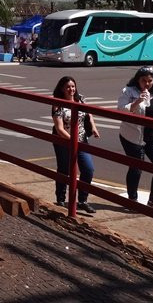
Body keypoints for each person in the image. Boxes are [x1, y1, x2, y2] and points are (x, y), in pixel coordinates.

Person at [117, 66, 153, 212]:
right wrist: (137, 101)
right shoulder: (128, 91)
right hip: (133, 136)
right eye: (143, 80)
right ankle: (132, 200)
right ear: (137, 80)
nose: (147, 84)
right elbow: (121, 110)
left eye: (150, 81)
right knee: (137, 168)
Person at [51, 76, 100, 213]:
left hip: (81, 139)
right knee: (64, 169)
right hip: (63, 140)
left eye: (73, 86)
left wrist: (93, 127)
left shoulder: (80, 99)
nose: (71, 89)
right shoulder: (57, 104)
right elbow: (59, 128)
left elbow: (89, 114)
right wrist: (72, 140)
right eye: (67, 87)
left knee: (88, 169)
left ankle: (82, 200)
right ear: (62, 88)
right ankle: (60, 199)